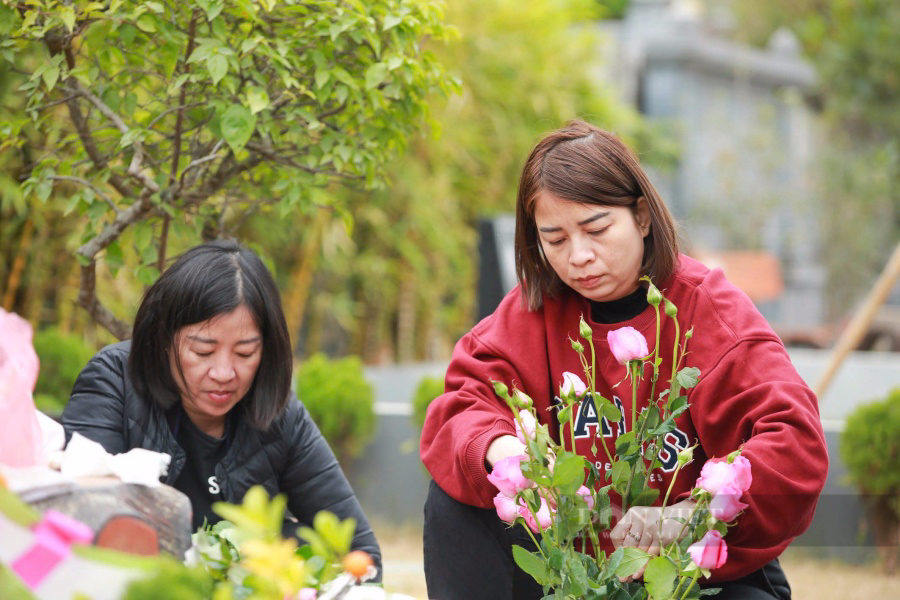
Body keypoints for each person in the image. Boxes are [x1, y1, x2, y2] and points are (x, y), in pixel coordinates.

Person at [420, 120, 828, 599]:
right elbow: (461, 405)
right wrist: (502, 449)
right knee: (454, 499)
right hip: (574, 575)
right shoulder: (534, 314)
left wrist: (689, 516)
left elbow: (795, 443)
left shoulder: (709, 314)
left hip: (690, 577)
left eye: (596, 229)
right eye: (554, 239)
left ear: (641, 216)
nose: (579, 257)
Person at [62, 239, 381, 572]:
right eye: (202, 351)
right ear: (164, 338)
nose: (224, 373)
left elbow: (360, 553)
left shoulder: (280, 413)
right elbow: (81, 521)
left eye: (245, 353)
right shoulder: (115, 380)